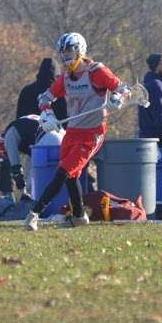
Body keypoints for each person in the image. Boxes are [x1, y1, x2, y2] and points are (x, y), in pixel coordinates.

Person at [25, 32, 134, 231]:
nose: (65, 56)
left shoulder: (96, 72)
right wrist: (47, 114)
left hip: (92, 134)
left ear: (79, 50)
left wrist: (118, 98)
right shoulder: (66, 77)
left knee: (63, 172)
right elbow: (44, 98)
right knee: (72, 176)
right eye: (63, 52)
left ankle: (34, 213)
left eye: (69, 51)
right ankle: (79, 216)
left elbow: (123, 89)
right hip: (72, 132)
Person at [0, 113, 64, 199]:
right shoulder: (25, 127)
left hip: (45, 140)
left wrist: (23, 192)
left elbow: (16, 169)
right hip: (61, 137)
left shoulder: (10, 134)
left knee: (33, 185)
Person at [138, 53, 162, 148]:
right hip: (158, 141)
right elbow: (160, 115)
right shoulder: (156, 86)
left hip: (148, 140)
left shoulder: (149, 84)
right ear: (157, 67)